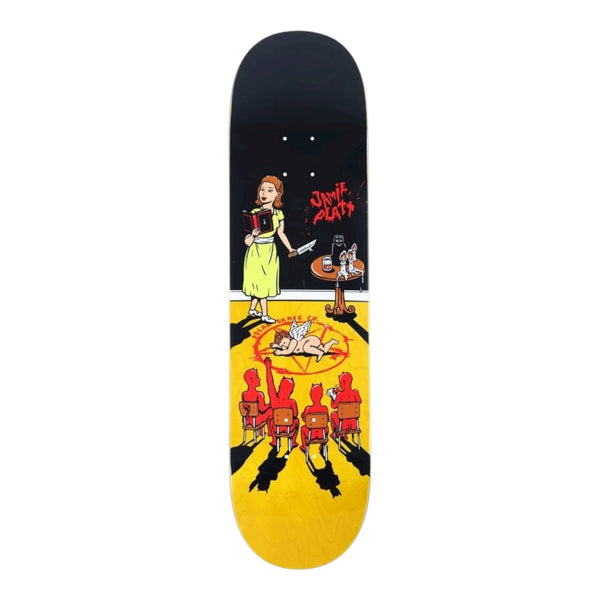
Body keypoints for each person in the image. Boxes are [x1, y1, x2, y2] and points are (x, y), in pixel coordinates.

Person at [243, 175, 296, 324]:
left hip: (270, 252)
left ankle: (252, 309)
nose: (264, 193)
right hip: (255, 252)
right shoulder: (254, 213)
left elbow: (281, 233)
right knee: (260, 284)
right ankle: (264, 315)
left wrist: (290, 248)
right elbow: (247, 241)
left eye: (269, 190)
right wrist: (254, 235)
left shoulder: (279, 214)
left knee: (264, 283)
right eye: (262, 189)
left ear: (277, 194)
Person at [264, 356, 299, 448]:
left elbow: (270, 383)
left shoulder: (274, 400)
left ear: (280, 387)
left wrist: (268, 368)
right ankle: (293, 441)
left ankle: (274, 440)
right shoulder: (292, 402)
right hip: (290, 428)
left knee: (271, 420)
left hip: (276, 428)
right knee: (296, 421)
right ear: (291, 391)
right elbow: (295, 414)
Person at [328, 371, 362, 440]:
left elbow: (333, 406)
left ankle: (335, 433)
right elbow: (359, 401)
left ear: (343, 383)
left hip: (343, 426)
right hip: (354, 425)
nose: (340, 385)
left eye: (340, 383)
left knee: (333, 414)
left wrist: (333, 397)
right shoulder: (356, 392)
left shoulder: (340, 395)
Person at [270, 330, 338, 362]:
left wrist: (280, 352)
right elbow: (284, 347)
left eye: (284, 342)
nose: (284, 345)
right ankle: (331, 342)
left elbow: (288, 351)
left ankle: (319, 353)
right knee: (324, 350)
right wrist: (277, 346)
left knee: (306, 348)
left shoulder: (293, 341)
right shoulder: (288, 344)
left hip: (311, 340)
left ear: (288, 337)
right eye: (282, 345)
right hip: (312, 342)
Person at [300, 383, 329, 452]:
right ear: (321, 395)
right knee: (326, 428)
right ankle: (322, 444)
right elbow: (327, 420)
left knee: (303, 428)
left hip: (310, 435)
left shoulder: (308, 409)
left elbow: (305, 420)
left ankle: (304, 446)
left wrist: (302, 415)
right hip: (321, 434)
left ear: (311, 395)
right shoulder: (325, 408)